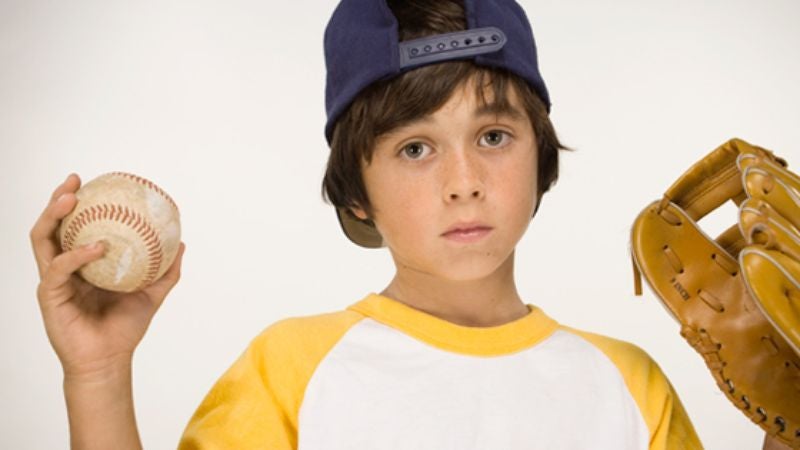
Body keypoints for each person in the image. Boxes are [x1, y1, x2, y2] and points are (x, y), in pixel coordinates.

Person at [29, 0, 787, 448]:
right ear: (357, 191)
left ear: (538, 157)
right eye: (416, 147)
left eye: (493, 136)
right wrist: (98, 376)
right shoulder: (290, 369)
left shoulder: (629, 385)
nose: (464, 183)